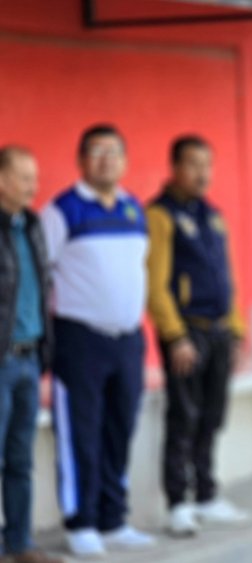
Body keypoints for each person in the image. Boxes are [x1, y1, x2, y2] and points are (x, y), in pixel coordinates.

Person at [41, 125, 155, 557]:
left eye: (114, 152)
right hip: (79, 340)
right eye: (96, 152)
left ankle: (112, 519)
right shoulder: (62, 211)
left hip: (127, 340)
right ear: (81, 161)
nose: (106, 160)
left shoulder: (132, 209)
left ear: (124, 161)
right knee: (80, 433)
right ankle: (81, 521)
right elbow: (42, 271)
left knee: (120, 429)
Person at [146, 135, 249, 536]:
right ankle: (178, 502)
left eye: (207, 164)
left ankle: (207, 495)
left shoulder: (213, 216)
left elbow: (227, 277)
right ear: (174, 167)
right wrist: (174, 336)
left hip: (219, 332)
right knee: (182, 417)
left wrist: (236, 329)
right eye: (193, 164)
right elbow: (155, 284)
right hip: (186, 334)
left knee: (211, 416)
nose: (202, 172)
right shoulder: (161, 215)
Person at [0, 147, 60, 563]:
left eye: (34, 177)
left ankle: (19, 544)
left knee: (19, 459)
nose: (33, 186)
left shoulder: (34, 224)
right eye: (24, 178)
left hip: (27, 359)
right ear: (2, 180)